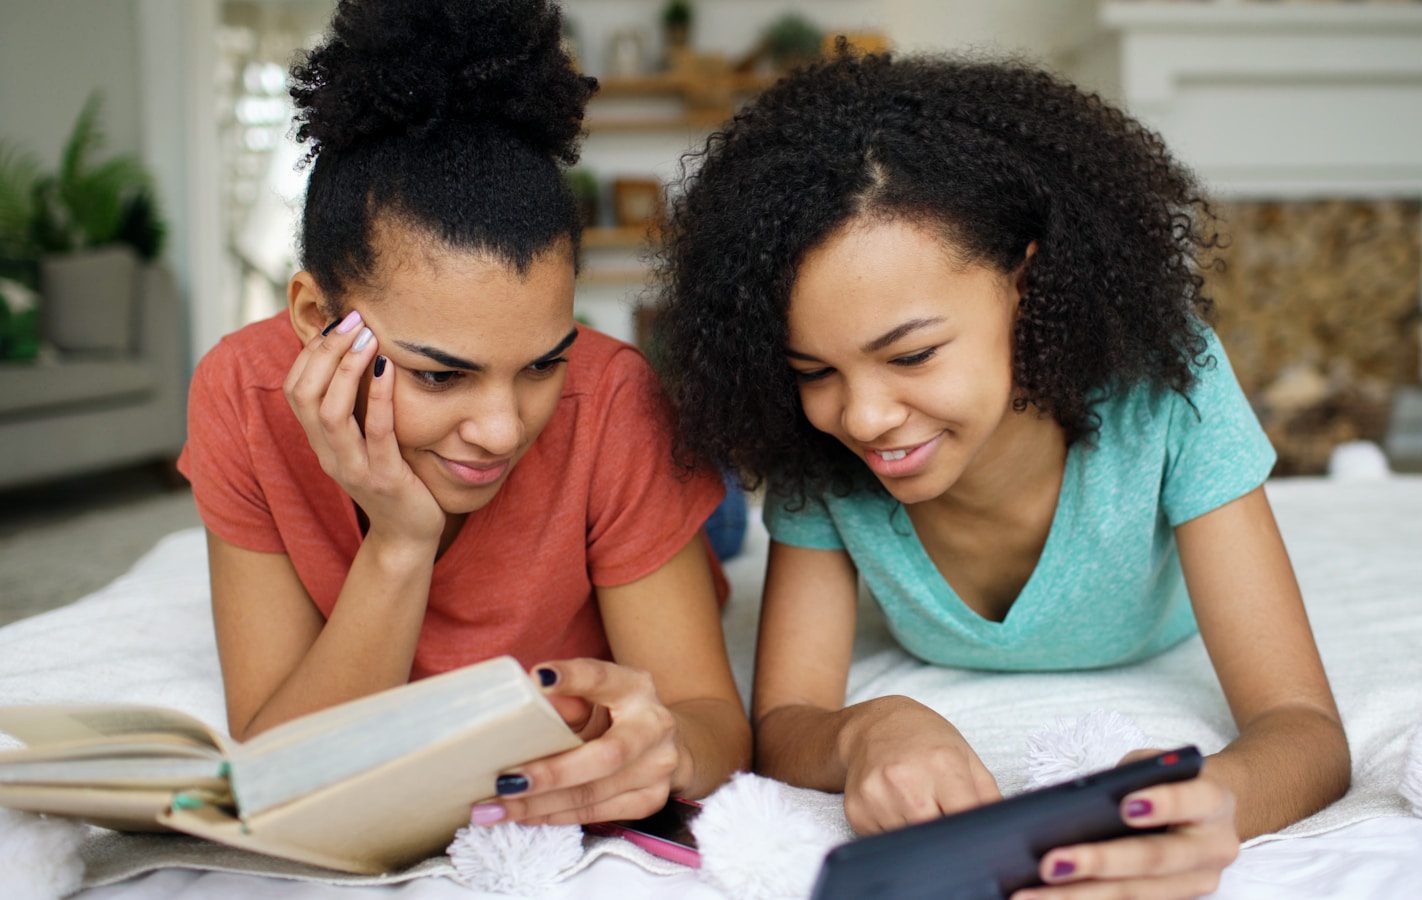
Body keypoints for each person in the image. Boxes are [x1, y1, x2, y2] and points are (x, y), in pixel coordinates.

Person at [653, 51, 1349, 899]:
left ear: (1028, 281)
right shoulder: (822, 456)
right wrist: (869, 730)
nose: (863, 417)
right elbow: (785, 723)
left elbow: (1303, 728)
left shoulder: (1170, 391)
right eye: (813, 372)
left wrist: (1220, 797)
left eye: (910, 354)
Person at [177, 0, 749, 828]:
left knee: (713, 499)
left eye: (544, 362)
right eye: (440, 376)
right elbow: (280, 765)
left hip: (633, 458)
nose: (503, 429)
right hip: (591, 467)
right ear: (313, 319)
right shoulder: (240, 393)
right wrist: (400, 542)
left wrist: (671, 749)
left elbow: (712, 721)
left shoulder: (610, 395)